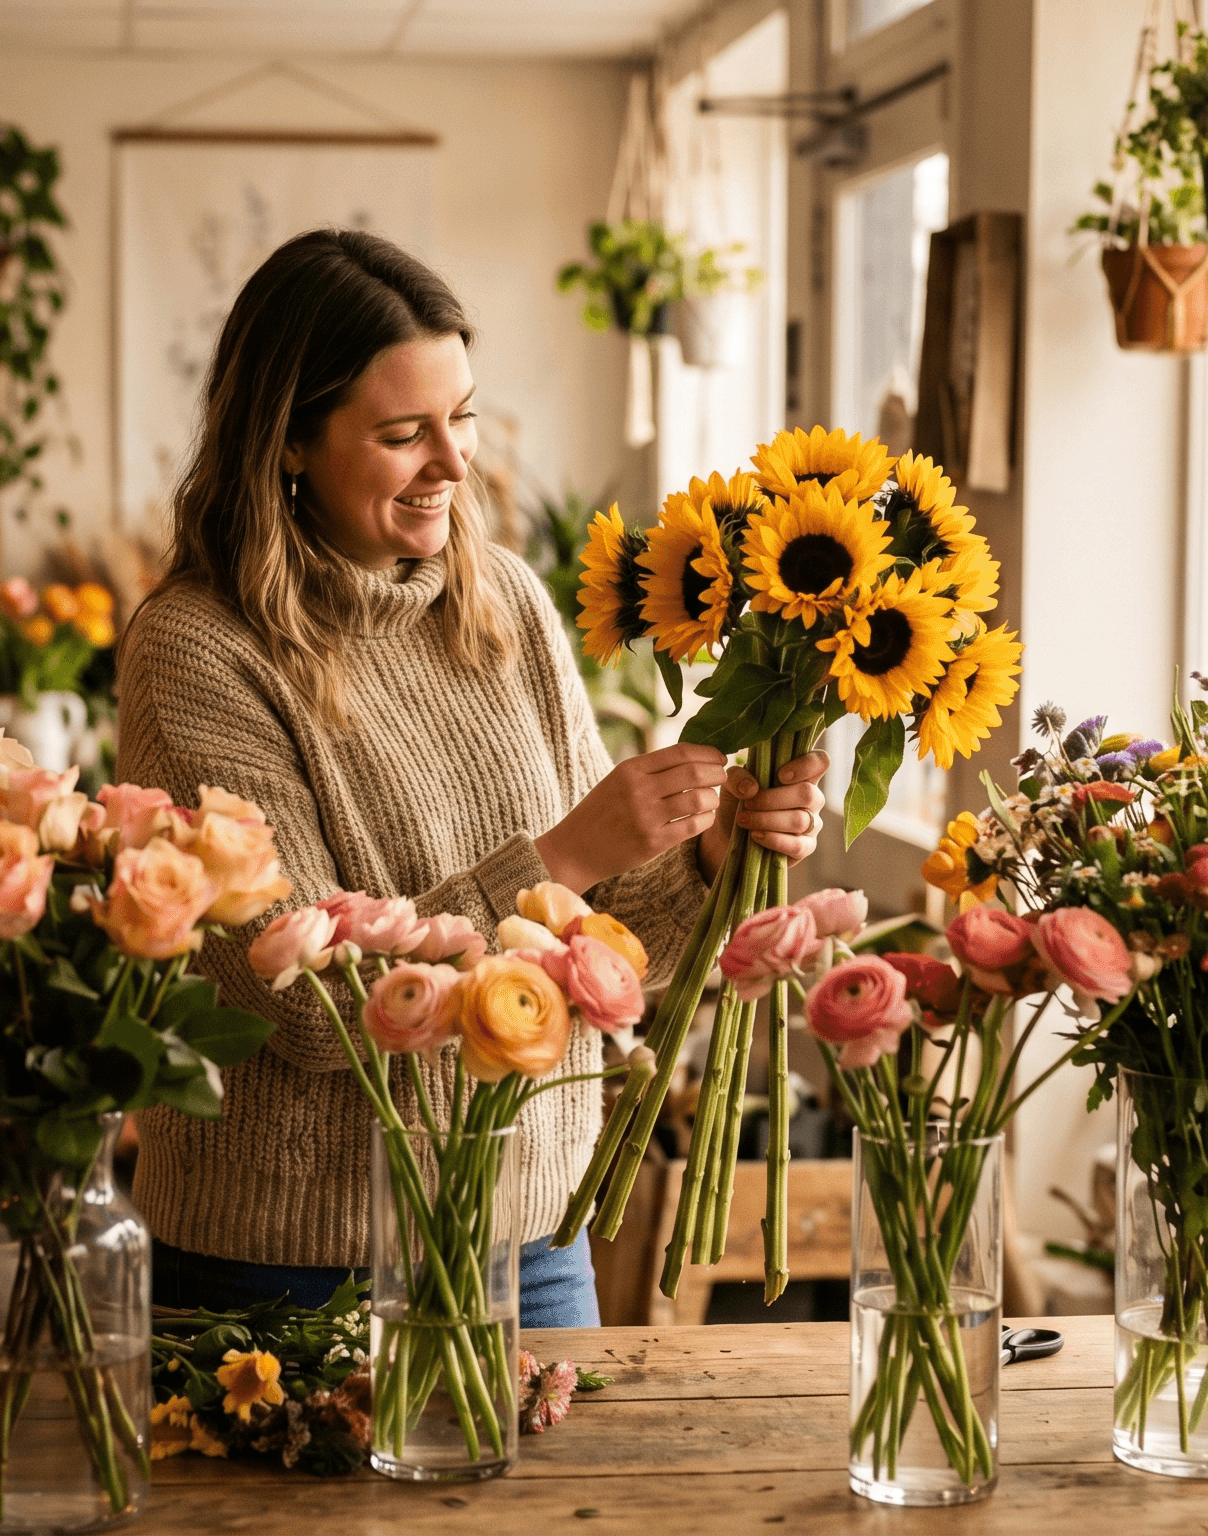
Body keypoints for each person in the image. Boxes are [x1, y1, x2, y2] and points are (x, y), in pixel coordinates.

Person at [116, 230, 829, 1327]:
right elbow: (301, 1004)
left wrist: (706, 858)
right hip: (287, 1271)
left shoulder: (499, 599)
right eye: (404, 434)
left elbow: (608, 945)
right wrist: (572, 851)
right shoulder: (196, 649)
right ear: (289, 443)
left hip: (533, 1243)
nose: (454, 464)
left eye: (463, 417)